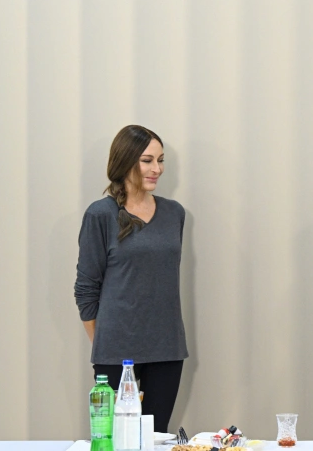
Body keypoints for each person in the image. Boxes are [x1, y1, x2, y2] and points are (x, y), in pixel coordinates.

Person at [74, 125, 188, 434]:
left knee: (155, 436)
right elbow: (86, 288)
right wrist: (103, 344)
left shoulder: (174, 213)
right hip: (115, 351)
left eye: (160, 160)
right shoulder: (100, 214)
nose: (157, 169)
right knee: (114, 438)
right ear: (125, 162)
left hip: (167, 347)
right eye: (147, 160)